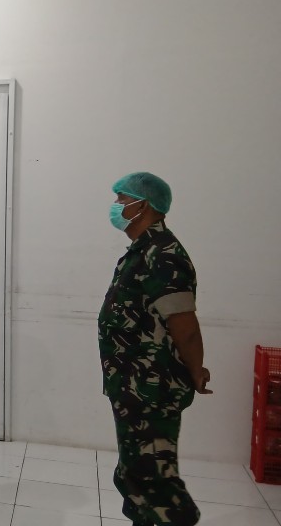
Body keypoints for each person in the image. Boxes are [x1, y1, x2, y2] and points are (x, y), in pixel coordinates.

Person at [99, 172, 211, 526]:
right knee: (135, 474)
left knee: (154, 480)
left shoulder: (163, 254)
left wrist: (196, 369)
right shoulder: (143, 250)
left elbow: (184, 326)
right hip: (133, 387)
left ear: (142, 205)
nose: (116, 207)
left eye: (121, 200)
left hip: (152, 389)